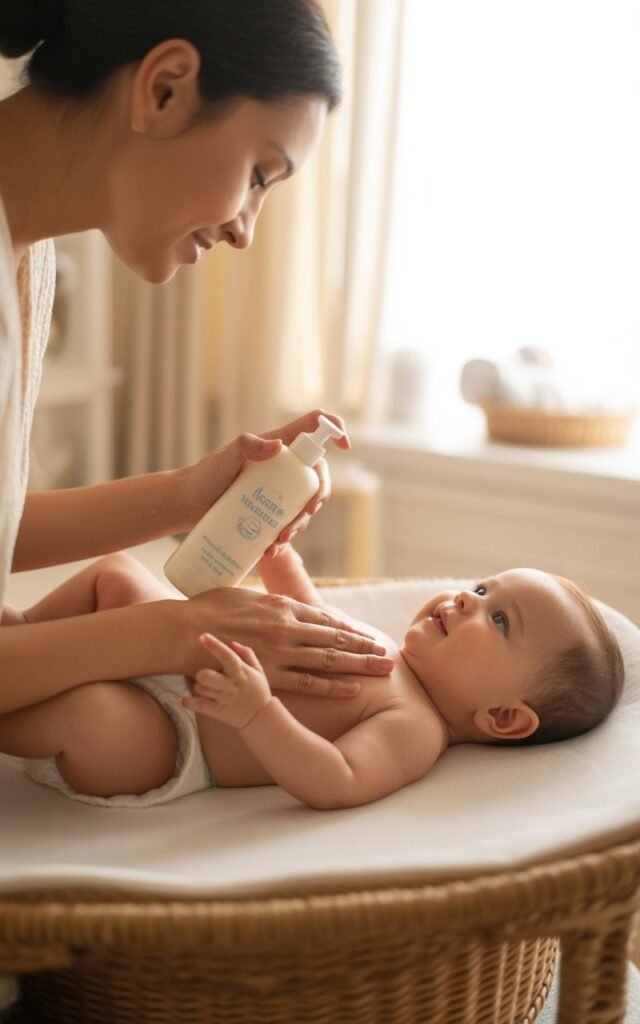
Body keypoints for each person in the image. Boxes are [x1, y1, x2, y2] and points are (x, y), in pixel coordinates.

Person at [0, 1, 395, 720]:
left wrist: (191, 496)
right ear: (165, 89)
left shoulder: (31, 255)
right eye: (258, 174)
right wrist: (178, 631)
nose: (246, 230)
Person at [0, 545, 624, 809]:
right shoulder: (387, 650)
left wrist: (257, 714)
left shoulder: (415, 728)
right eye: (482, 586)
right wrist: (283, 564)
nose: (465, 598)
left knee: (88, 713)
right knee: (116, 573)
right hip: (171, 655)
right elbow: (310, 620)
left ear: (503, 717)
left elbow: (337, 779)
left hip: (177, 737)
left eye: (499, 619)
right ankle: (28, 630)